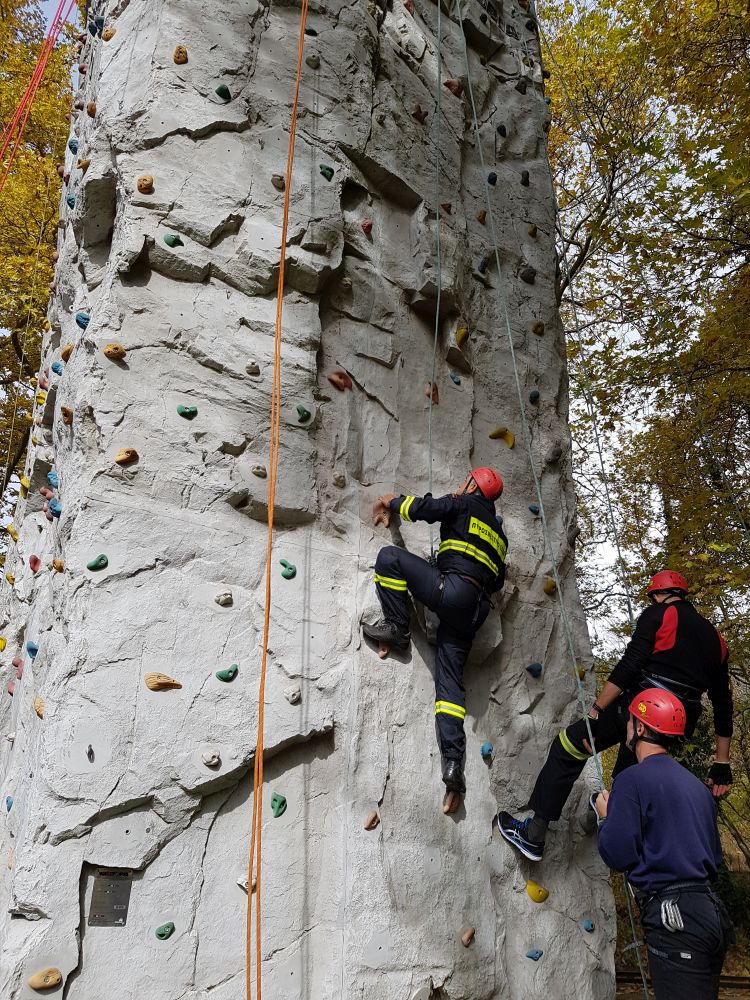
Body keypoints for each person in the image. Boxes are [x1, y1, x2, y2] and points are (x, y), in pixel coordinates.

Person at [496, 570, 733, 860]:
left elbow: (631, 664)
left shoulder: (660, 614)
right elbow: (723, 703)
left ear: (659, 595)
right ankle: (603, 823)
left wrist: (597, 709)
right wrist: (722, 763)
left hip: (638, 710)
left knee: (568, 746)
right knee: (627, 781)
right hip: (674, 725)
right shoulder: (716, 639)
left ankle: (533, 835)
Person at [363, 468, 507, 808]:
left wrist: (391, 501)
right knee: (449, 687)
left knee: (389, 559)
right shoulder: (499, 535)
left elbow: (425, 510)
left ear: (473, 485)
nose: (461, 484)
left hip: (452, 592)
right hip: (475, 612)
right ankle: (453, 766)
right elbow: (498, 581)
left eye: (465, 480)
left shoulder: (461, 504)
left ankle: (397, 629)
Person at [595, 688, 733, 1000]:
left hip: (676, 920)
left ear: (640, 727)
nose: (628, 728)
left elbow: (617, 853)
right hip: (710, 915)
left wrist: (607, 816)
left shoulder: (632, 780)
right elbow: (713, 857)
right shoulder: (698, 788)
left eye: (631, 722)